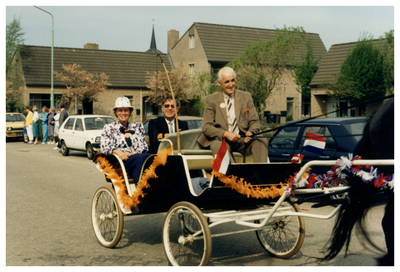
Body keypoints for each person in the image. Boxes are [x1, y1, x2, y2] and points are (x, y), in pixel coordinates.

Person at [197, 67, 269, 162]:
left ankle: (258, 175)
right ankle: (231, 175)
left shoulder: (246, 97)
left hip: (242, 139)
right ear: (219, 83)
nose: (231, 85)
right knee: (218, 146)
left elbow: (255, 121)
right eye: (227, 82)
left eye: (233, 80)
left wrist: (251, 132)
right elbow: (206, 127)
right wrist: (226, 134)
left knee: (262, 140)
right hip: (221, 140)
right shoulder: (211, 100)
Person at [101, 97, 151, 184]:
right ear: (115, 112)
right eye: (120, 110)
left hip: (136, 157)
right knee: (140, 159)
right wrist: (118, 152)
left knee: (151, 157)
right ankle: (140, 191)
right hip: (120, 162)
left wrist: (133, 153)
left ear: (130, 112)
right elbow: (105, 147)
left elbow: (143, 146)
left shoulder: (137, 126)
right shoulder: (109, 127)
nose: (123, 113)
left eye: (126, 110)